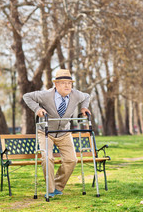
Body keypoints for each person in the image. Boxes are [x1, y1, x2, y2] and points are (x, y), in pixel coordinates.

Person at [23, 69, 91, 198]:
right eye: (63, 83)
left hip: (64, 132)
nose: (67, 86)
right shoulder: (45, 95)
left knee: (72, 160)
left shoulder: (75, 94)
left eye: (69, 83)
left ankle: (57, 186)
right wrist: (37, 109)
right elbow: (27, 96)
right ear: (56, 84)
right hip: (46, 132)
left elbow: (87, 96)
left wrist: (84, 107)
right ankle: (50, 190)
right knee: (47, 158)